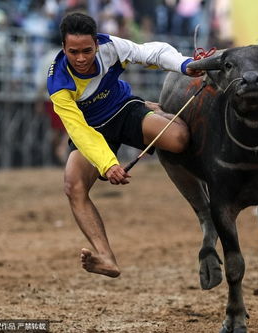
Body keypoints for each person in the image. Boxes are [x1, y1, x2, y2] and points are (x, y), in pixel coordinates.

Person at [47, 12, 203, 278]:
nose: (81, 58)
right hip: (91, 130)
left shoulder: (111, 46)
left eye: (87, 50)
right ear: (63, 49)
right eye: (73, 52)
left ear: (96, 44)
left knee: (179, 140)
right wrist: (108, 164)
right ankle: (106, 257)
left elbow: (151, 53)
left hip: (122, 110)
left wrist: (184, 64)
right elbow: (80, 132)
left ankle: (151, 109)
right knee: (73, 186)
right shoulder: (58, 84)